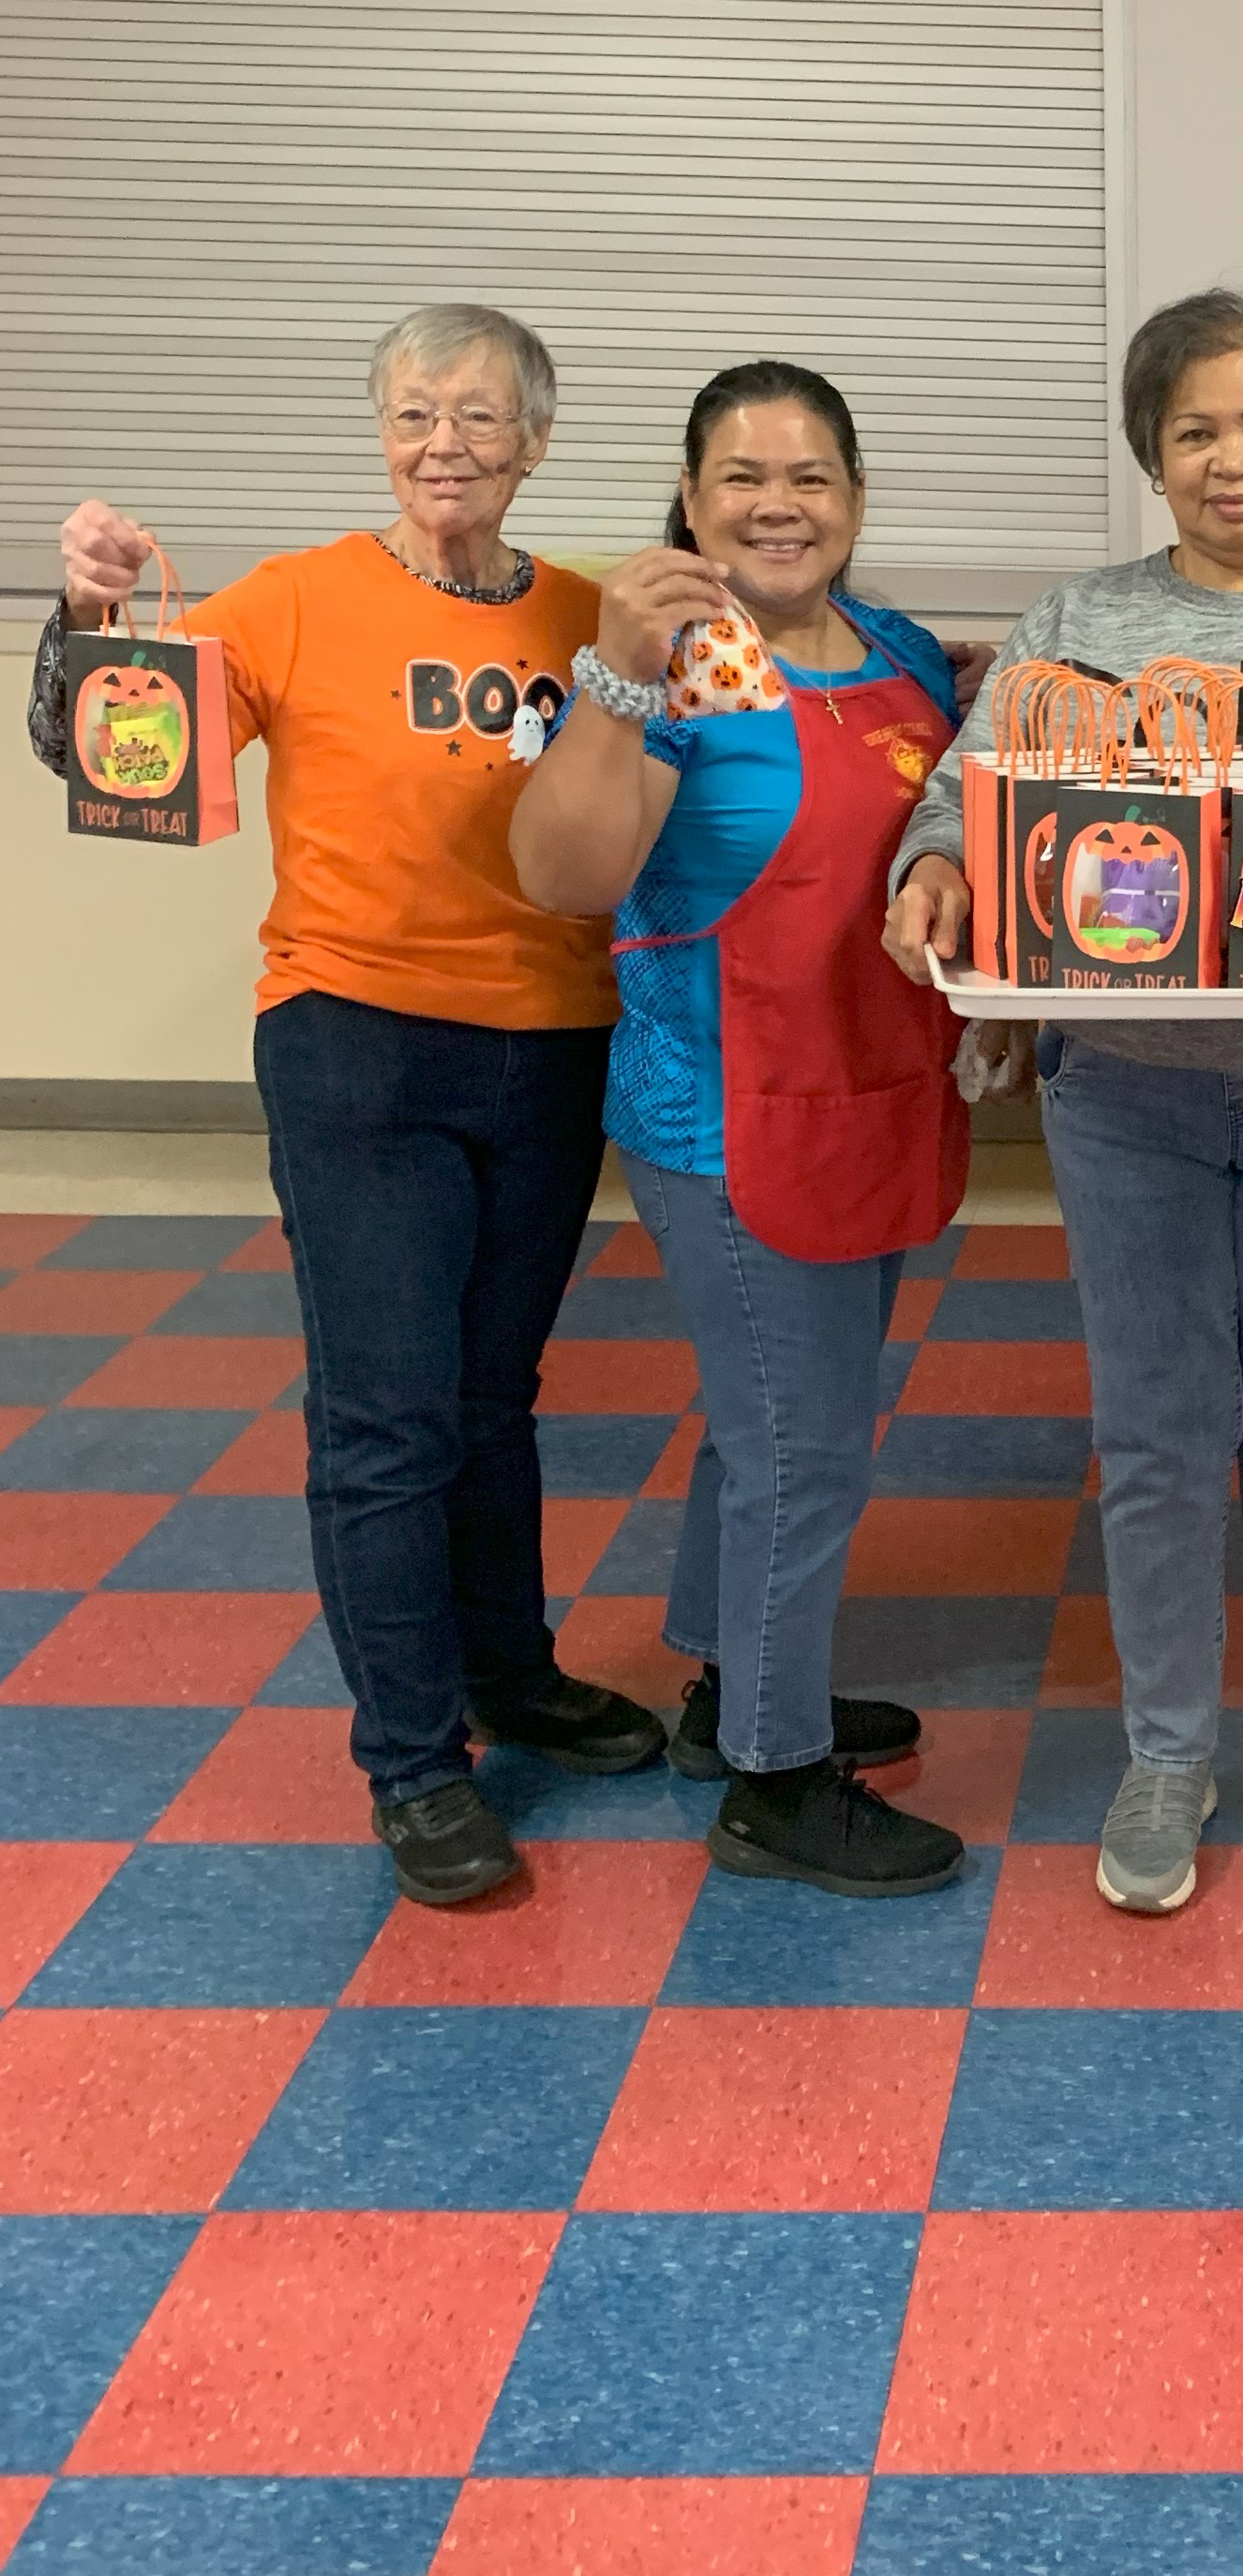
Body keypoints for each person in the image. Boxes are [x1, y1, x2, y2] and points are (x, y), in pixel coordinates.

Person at [30, 307, 665, 1908]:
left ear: (535, 442)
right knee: (387, 1417)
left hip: (551, 1043)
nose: (445, 443)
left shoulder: (586, 614)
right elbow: (98, 747)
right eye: (413, 413)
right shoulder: (296, 599)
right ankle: (414, 1761)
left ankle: (510, 1674)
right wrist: (86, 617)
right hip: (357, 1043)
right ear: (380, 436)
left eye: (480, 415)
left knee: (495, 1399)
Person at [883, 290, 1243, 1916]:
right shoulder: (1077, 621)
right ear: (1153, 451)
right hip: (1125, 1096)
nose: (1231, 460)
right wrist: (934, 865)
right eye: (1196, 430)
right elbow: (964, 792)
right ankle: (1168, 1751)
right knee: (1156, 1441)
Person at [509, 360, 973, 1899]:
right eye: (743, 478)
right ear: (691, 501)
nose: (781, 505)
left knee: (765, 1424)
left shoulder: (900, 651)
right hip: (721, 1117)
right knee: (803, 1452)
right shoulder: (672, 673)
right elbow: (566, 875)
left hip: (871, 1093)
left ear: (856, 498)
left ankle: (730, 1686)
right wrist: (613, 675)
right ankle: (777, 1781)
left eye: (811, 476)